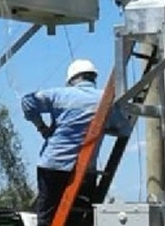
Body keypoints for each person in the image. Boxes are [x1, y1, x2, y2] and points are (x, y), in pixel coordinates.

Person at [21, 59, 130, 226]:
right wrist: (104, 126)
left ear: (72, 79)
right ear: (93, 78)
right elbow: (124, 128)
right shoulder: (106, 100)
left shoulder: (59, 95)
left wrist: (41, 126)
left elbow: (28, 102)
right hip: (85, 169)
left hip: (53, 165)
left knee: (47, 216)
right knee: (79, 218)